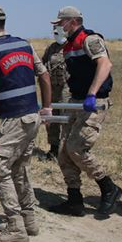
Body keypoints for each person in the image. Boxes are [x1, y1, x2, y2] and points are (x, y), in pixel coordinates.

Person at [0, 5, 52, 242]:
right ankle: (29, 219)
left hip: (14, 120)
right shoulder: (24, 44)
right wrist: (46, 108)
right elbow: (45, 76)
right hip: (32, 117)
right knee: (18, 168)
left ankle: (15, 225)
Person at [47, 6, 122, 217]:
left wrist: (92, 93)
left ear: (72, 21)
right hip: (76, 100)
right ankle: (74, 199)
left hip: (93, 102)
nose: (58, 27)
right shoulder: (69, 44)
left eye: (60, 23)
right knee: (63, 150)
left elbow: (105, 64)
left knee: (77, 148)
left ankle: (109, 188)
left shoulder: (90, 40)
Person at [41, 29, 70, 160]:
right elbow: (43, 66)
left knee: (66, 116)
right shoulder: (51, 48)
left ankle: (66, 149)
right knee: (51, 118)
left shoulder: (72, 46)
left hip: (67, 87)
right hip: (52, 87)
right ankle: (54, 148)